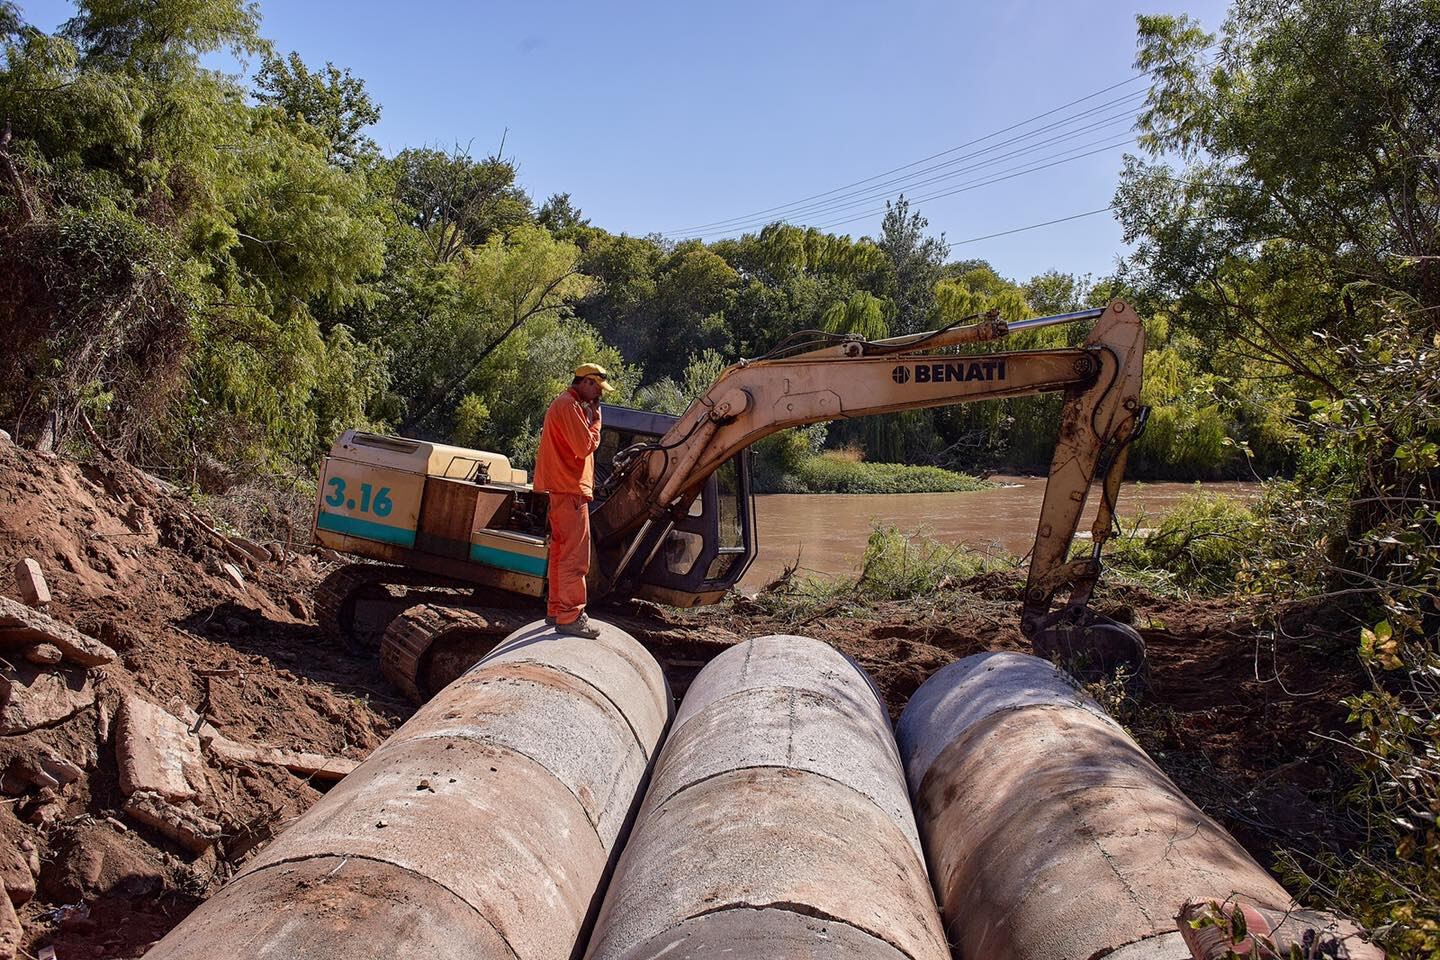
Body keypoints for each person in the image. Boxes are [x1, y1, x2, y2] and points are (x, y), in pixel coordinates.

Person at [532, 363, 614, 637]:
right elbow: (585, 446)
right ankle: (571, 616)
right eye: (598, 389)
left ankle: (557, 610)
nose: (599, 396)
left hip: (563, 489)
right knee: (575, 556)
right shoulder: (569, 406)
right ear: (586, 382)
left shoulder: (567, 405)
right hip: (569, 490)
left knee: (560, 551)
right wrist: (596, 420)